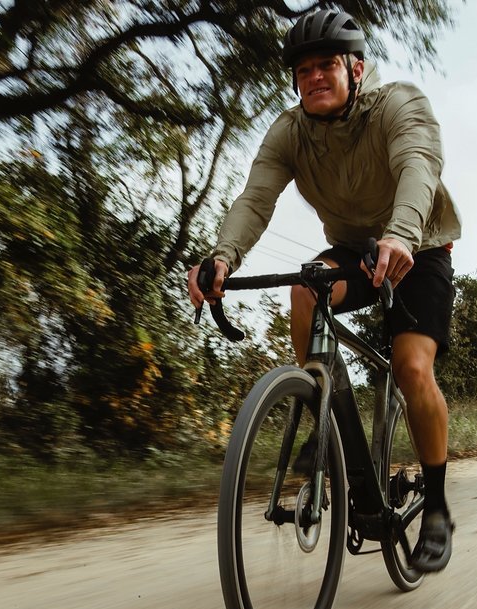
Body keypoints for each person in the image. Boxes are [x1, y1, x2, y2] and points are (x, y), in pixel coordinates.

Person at [187, 9, 462, 572]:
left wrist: (402, 235)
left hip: (419, 246)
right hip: (352, 251)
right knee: (305, 288)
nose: (314, 77)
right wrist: (222, 255)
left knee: (412, 369)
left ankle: (435, 507)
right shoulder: (290, 131)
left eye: (327, 65)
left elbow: (418, 165)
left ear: (355, 69)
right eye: (304, 69)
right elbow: (255, 198)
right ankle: (327, 421)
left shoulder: (398, 105)